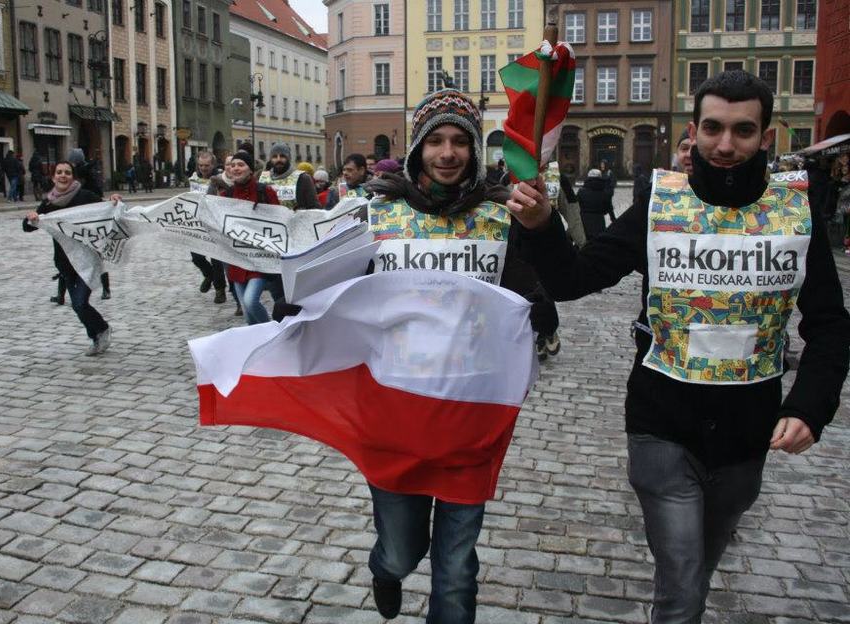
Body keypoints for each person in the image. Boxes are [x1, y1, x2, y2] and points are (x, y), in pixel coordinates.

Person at [508, 70, 850, 623]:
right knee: (682, 586)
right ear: (694, 129)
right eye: (713, 128)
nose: (725, 144)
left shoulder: (795, 215)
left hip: (747, 430)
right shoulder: (659, 206)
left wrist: (810, 405)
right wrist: (544, 225)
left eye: (743, 131)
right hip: (661, 423)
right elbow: (574, 278)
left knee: (699, 567)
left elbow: (830, 324)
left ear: (766, 137)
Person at [357, 88, 552, 624]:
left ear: (473, 149)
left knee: (458, 564)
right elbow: (338, 288)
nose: (448, 153)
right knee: (402, 550)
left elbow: (524, 284)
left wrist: (540, 305)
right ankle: (385, 567)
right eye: (436, 140)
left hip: (471, 410)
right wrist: (298, 305)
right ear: (418, 147)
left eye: (460, 141)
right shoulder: (378, 214)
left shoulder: (497, 215)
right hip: (397, 409)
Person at [23, 161, 116, 356]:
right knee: (77, 306)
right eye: (59, 172)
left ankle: (102, 330)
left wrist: (114, 199)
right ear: (53, 177)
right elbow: (29, 226)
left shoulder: (85, 196)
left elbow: (106, 208)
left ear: (72, 176)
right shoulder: (49, 202)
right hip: (65, 262)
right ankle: (98, 334)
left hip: (88, 260)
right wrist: (30, 217)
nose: (63, 175)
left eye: (67, 172)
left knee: (80, 303)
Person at [214, 151, 279, 325]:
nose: (236, 168)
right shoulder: (226, 196)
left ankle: (273, 335)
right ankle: (260, 344)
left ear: (250, 170)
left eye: (241, 165)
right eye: (233, 165)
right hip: (237, 259)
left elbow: (279, 222)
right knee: (247, 312)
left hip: (259, 259)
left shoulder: (265, 192)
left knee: (250, 301)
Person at [189, 151, 229, 306]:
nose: (203, 168)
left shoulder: (219, 178)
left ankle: (220, 290)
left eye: (206, 165)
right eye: (200, 165)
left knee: (216, 258)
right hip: (197, 222)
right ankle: (209, 274)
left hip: (215, 222)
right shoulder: (194, 177)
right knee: (196, 256)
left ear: (213, 165)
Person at [258, 142, 319, 210]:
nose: (278, 159)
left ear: (289, 158)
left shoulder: (303, 178)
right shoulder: (263, 178)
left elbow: (314, 208)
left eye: (282, 156)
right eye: (275, 156)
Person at [576, 169, 611, 240]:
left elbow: (577, 206)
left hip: (584, 221)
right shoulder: (604, 193)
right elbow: (608, 208)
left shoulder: (581, 192)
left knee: (584, 241)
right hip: (599, 221)